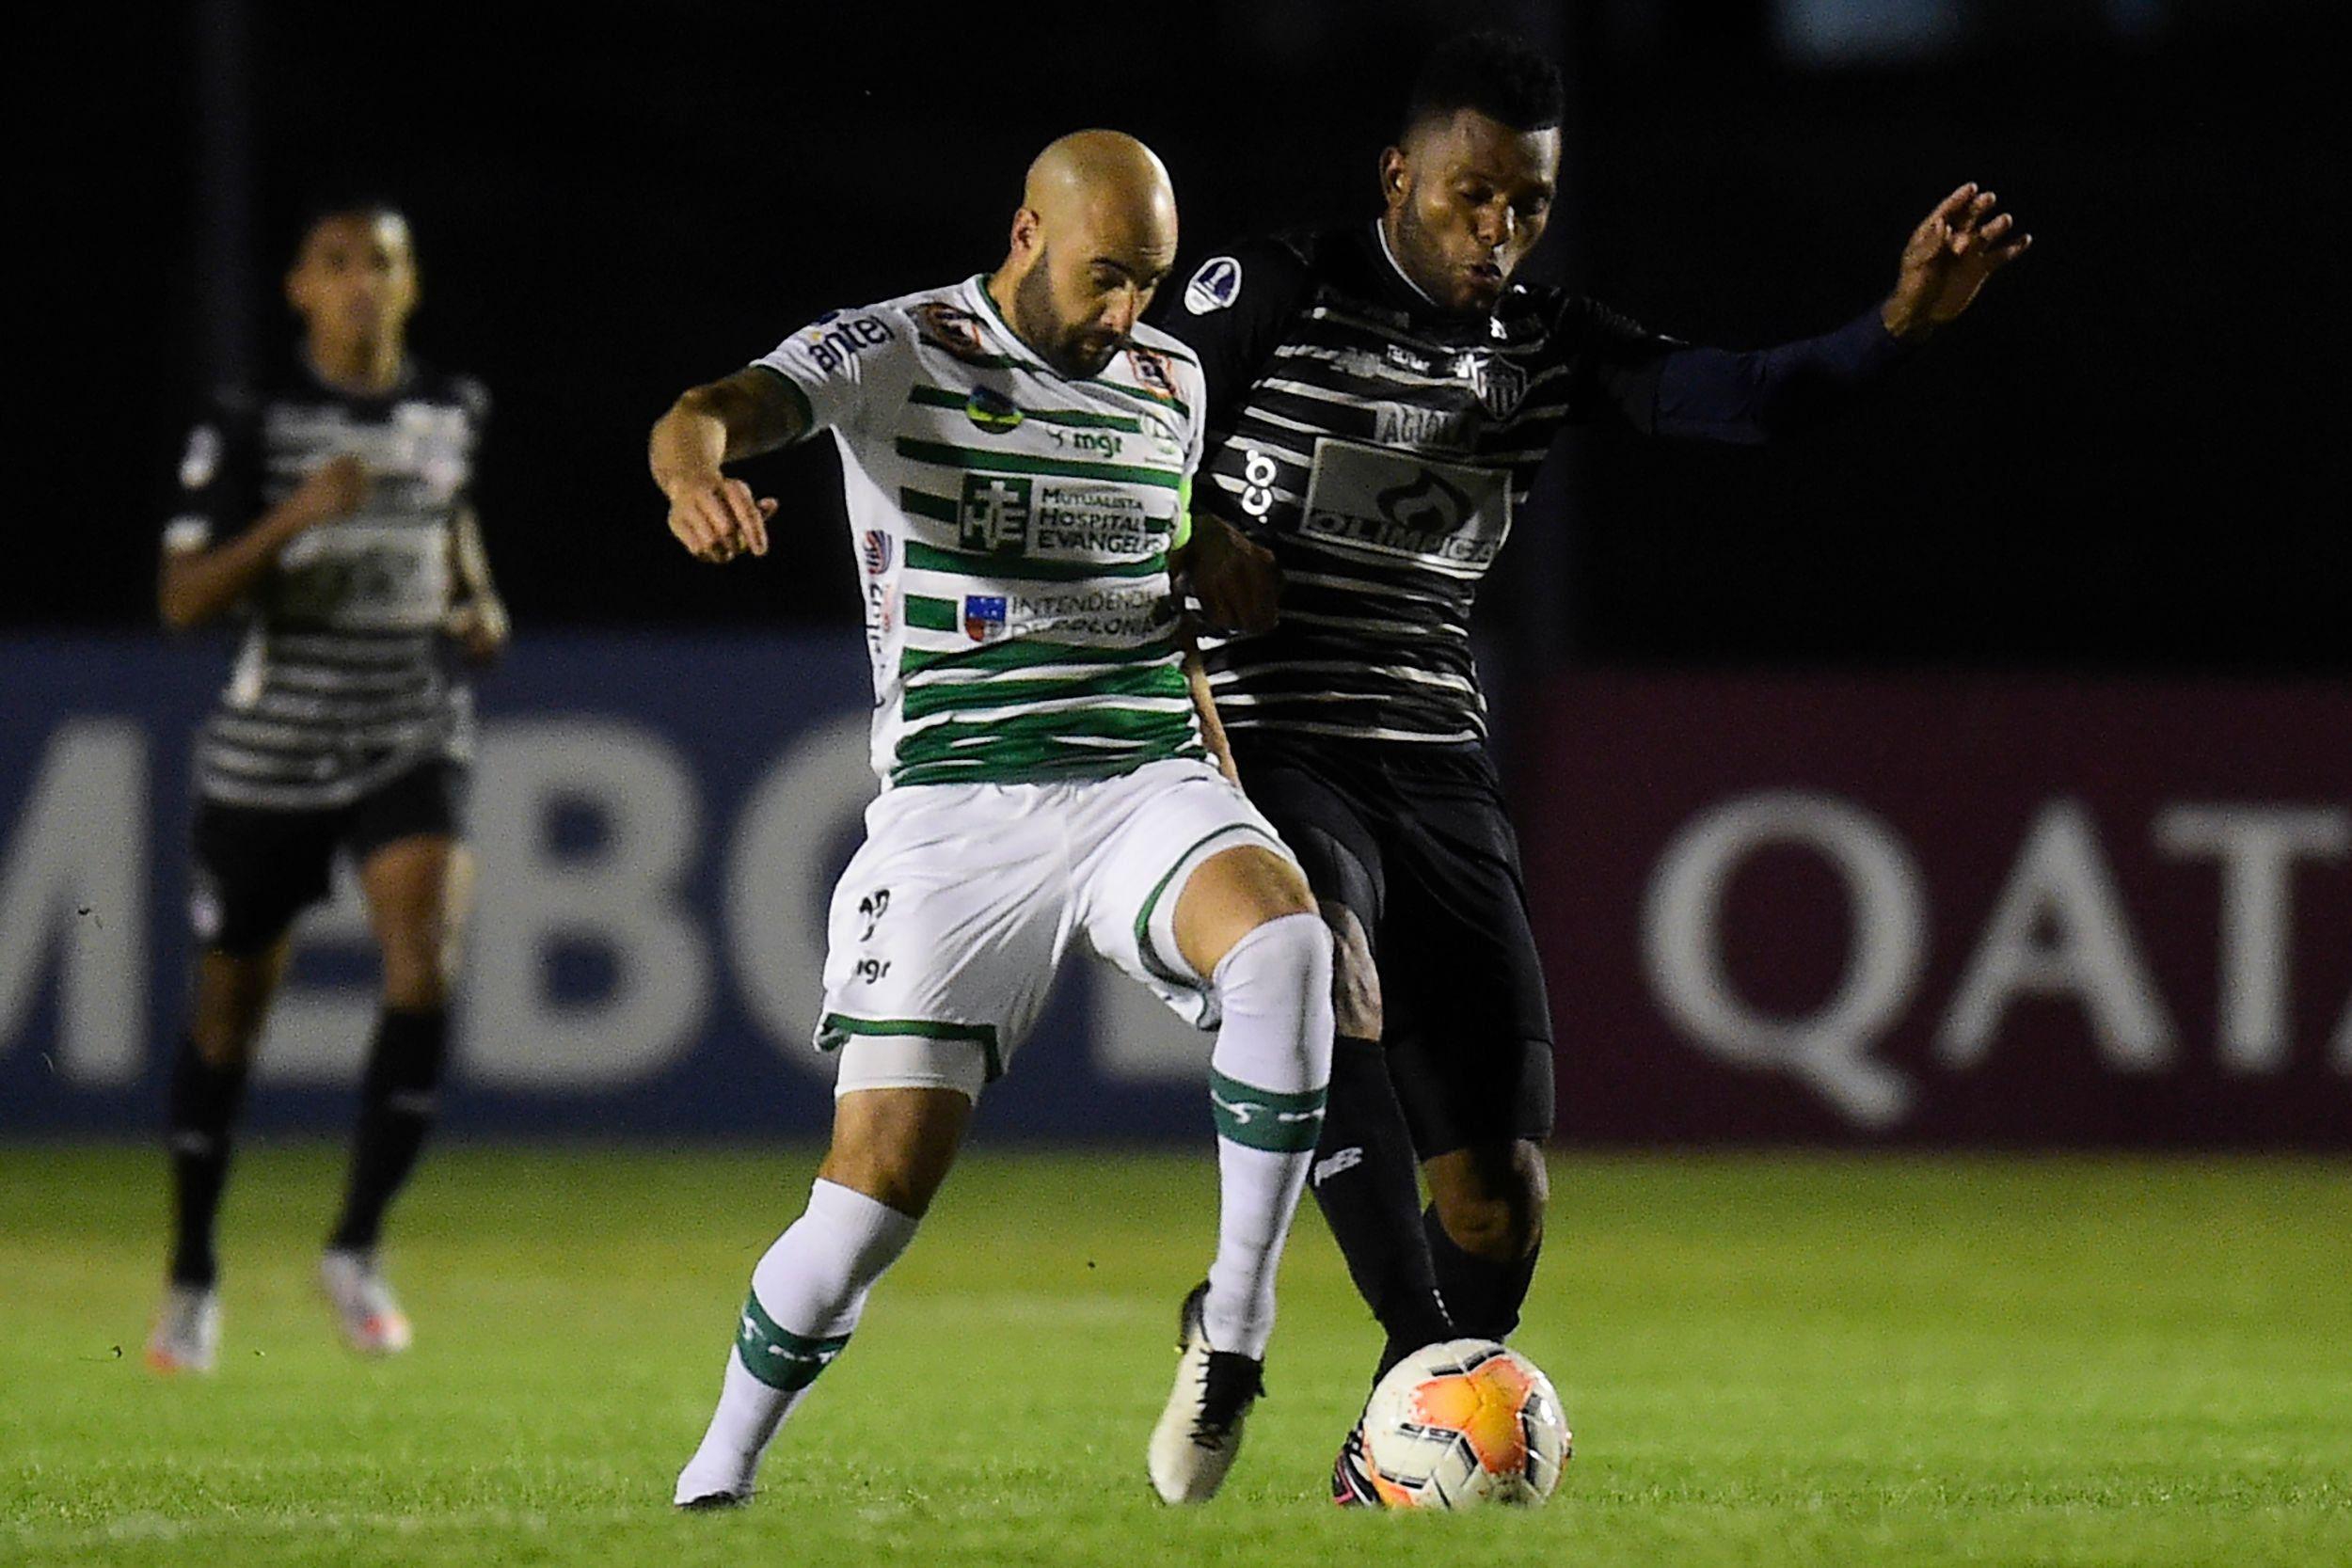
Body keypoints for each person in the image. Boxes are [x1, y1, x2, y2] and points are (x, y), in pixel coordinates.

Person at [1149, 30, 2031, 1502]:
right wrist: (1190, 528)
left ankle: (1386, 1447)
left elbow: (1737, 398)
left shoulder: (1544, 346)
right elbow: (1115, 426)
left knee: (1500, 1199)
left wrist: (1899, 323)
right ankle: (1409, 1367)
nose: (1497, 231)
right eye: (1469, 196)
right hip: (1273, 736)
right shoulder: (1273, 293)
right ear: (1400, 177)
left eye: (1528, 205)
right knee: (1331, 969)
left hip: (1436, 762)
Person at [649, 130, 1334, 1510]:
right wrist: (691, 476)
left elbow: (1165, 573)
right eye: (1104, 278)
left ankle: (1237, 1330)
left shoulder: (1169, 380)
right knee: (863, 1206)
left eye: (1147, 282)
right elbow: (708, 409)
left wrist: (1220, 620)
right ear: (1026, 235)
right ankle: (720, 1463)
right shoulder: (895, 351)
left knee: (1289, 947)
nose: (1126, 313)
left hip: (1143, 774)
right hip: (961, 808)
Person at [145, 200, 507, 1372]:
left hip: (407, 726)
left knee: (426, 957)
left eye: (386, 265)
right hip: (273, 748)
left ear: (411, 285)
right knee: (228, 1019)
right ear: (301, 287)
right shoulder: (252, 423)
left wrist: (476, 600)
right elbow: (186, 597)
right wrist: (294, 518)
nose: (364, 285)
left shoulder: (449, 410)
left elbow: (448, 524)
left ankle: (354, 1245)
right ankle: (193, 1270)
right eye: (341, 265)